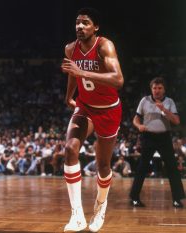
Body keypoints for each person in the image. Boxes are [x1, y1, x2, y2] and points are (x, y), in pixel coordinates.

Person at [60, 8, 124, 232]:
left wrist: (82, 73)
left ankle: (100, 205)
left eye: (85, 23)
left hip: (108, 110)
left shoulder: (105, 45)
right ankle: (77, 215)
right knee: (70, 149)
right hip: (85, 107)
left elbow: (118, 79)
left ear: (95, 27)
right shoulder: (70, 48)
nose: (79, 27)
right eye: (77, 23)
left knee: (103, 165)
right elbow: (72, 72)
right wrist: (69, 96)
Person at [129, 77, 185, 208]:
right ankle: (134, 198)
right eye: (154, 88)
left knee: (172, 168)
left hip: (164, 138)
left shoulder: (169, 102)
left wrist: (164, 110)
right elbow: (136, 119)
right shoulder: (144, 100)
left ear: (164, 89)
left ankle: (177, 199)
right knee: (142, 168)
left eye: (160, 88)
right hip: (148, 137)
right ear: (151, 89)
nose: (157, 91)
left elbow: (176, 121)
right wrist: (138, 126)